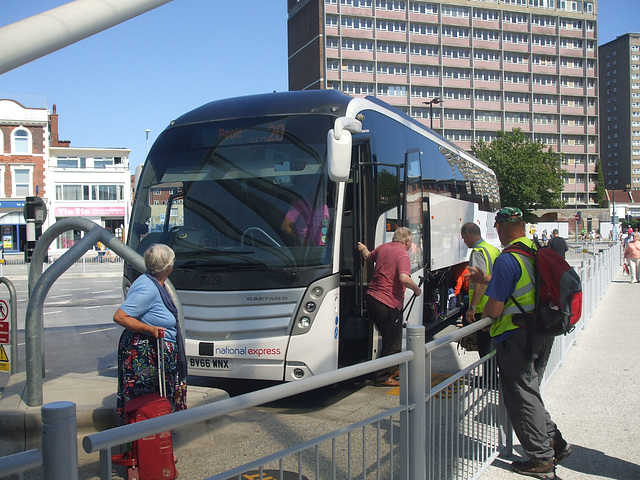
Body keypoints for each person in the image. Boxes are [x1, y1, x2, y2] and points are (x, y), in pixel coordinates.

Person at [467, 207, 571, 479]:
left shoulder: (507, 258)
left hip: (517, 336)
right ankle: (555, 443)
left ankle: (540, 459)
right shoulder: (535, 249)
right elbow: (524, 283)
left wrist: (483, 308)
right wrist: (488, 280)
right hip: (541, 330)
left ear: (501, 226)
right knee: (531, 391)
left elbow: (495, 310)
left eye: (497, 227)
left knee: (521, 396)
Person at [113, 244, 187, 425]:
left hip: (157, 354)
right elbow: (120, 316)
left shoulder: (155, 284)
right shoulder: (148, 288)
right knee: (148, 401)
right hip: (148, 357)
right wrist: (151, 329)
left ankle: (158, 444)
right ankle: (149, 443)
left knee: (158, 400)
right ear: (168, 267)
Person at [357, 227, 422, 387]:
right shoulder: (402, 254)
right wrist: (416, 289)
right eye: (411, 241)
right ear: (406, 241)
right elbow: (404, 278)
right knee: (393, 343)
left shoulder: (383, 248)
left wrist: (363, 247)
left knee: (389, 337)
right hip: (387, 302)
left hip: (371, 298)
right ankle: (381, 377)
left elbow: (367, 256)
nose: (410, 244)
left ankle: (391, 369)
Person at [461, 222, 500, 359]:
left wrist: (472, 307)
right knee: (494, 347)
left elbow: (480, 282)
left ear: (468, 235)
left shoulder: (478, 252)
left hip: (483, 308)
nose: (464, 242)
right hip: (496, 304)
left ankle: (488, 380)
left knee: (485, 349)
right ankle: (493, 378)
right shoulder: (492, 249)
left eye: (464, 238)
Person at [281, 176, 329, 247]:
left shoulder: (324, 206)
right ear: (314, 192)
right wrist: (300, 240)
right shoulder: (298, 205)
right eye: (321, 196)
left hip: (322, 250)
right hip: (303, 250)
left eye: (325, 197)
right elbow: (285, 226)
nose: (322, 200)